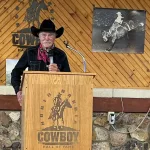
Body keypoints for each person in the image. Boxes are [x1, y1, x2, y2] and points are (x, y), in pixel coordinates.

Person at [11, 19, 71, 106]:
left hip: (54, 100)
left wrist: (59, 73)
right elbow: (15, 72)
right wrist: (18, 90)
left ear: (55, 37)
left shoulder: (61, 55)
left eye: (50, 35)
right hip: (33, 98)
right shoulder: (30, 52)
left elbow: (69, 79)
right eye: (44, 35)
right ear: (39, 36)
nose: (47, 38)